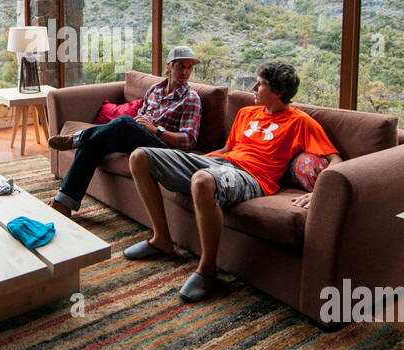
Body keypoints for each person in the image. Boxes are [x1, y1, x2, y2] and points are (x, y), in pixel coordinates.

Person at [124, 61, 343, 302]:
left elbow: (336, 160)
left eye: (260, 84)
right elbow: (227, 149)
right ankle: (161, 240)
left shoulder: (300, 122)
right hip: (220, 164)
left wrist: (319, 192)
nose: (254, 87)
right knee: (140, 156)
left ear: (279, 92)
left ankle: (208, 270)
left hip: (253, 178)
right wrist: (189, 160)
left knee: (203, 182)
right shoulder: (246, 113)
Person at [48, 45, 203, 218]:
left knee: (124, 122)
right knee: (93, 144)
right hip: (138, 139)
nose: (186, 72)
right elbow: (141, 117)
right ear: (169, 66)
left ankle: (77, 138)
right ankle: (63, 203)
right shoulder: (155, 90)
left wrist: (156, 130)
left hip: (163, 151)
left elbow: (189, 140)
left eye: (189, 67)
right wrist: (142, 126)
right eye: (181, 66)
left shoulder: (191, 98)